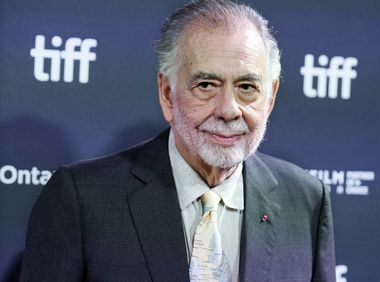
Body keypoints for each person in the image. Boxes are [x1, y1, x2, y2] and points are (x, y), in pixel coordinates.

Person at [20, 0, 336, 281]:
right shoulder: (82, 199)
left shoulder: (306, 200)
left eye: (246, 87)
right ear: (168, 94)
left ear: (270, 98)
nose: (228, 110)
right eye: (207, 85)